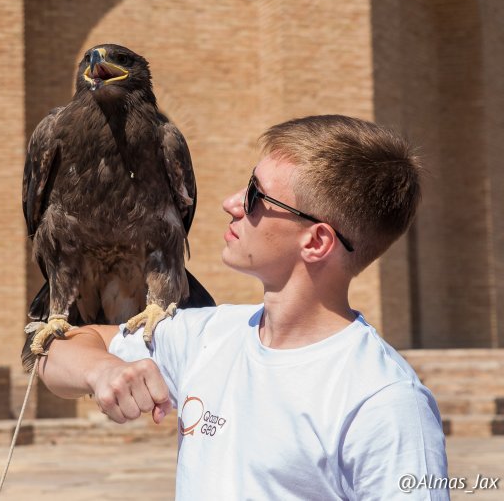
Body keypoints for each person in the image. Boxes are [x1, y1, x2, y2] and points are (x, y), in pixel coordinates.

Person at [37, 115, 449, 500]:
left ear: (316, 242)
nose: (231, 202)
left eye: (255, 194)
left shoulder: (385, 402)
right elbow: (57, 351)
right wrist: (102, 370)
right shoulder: (207, 336)